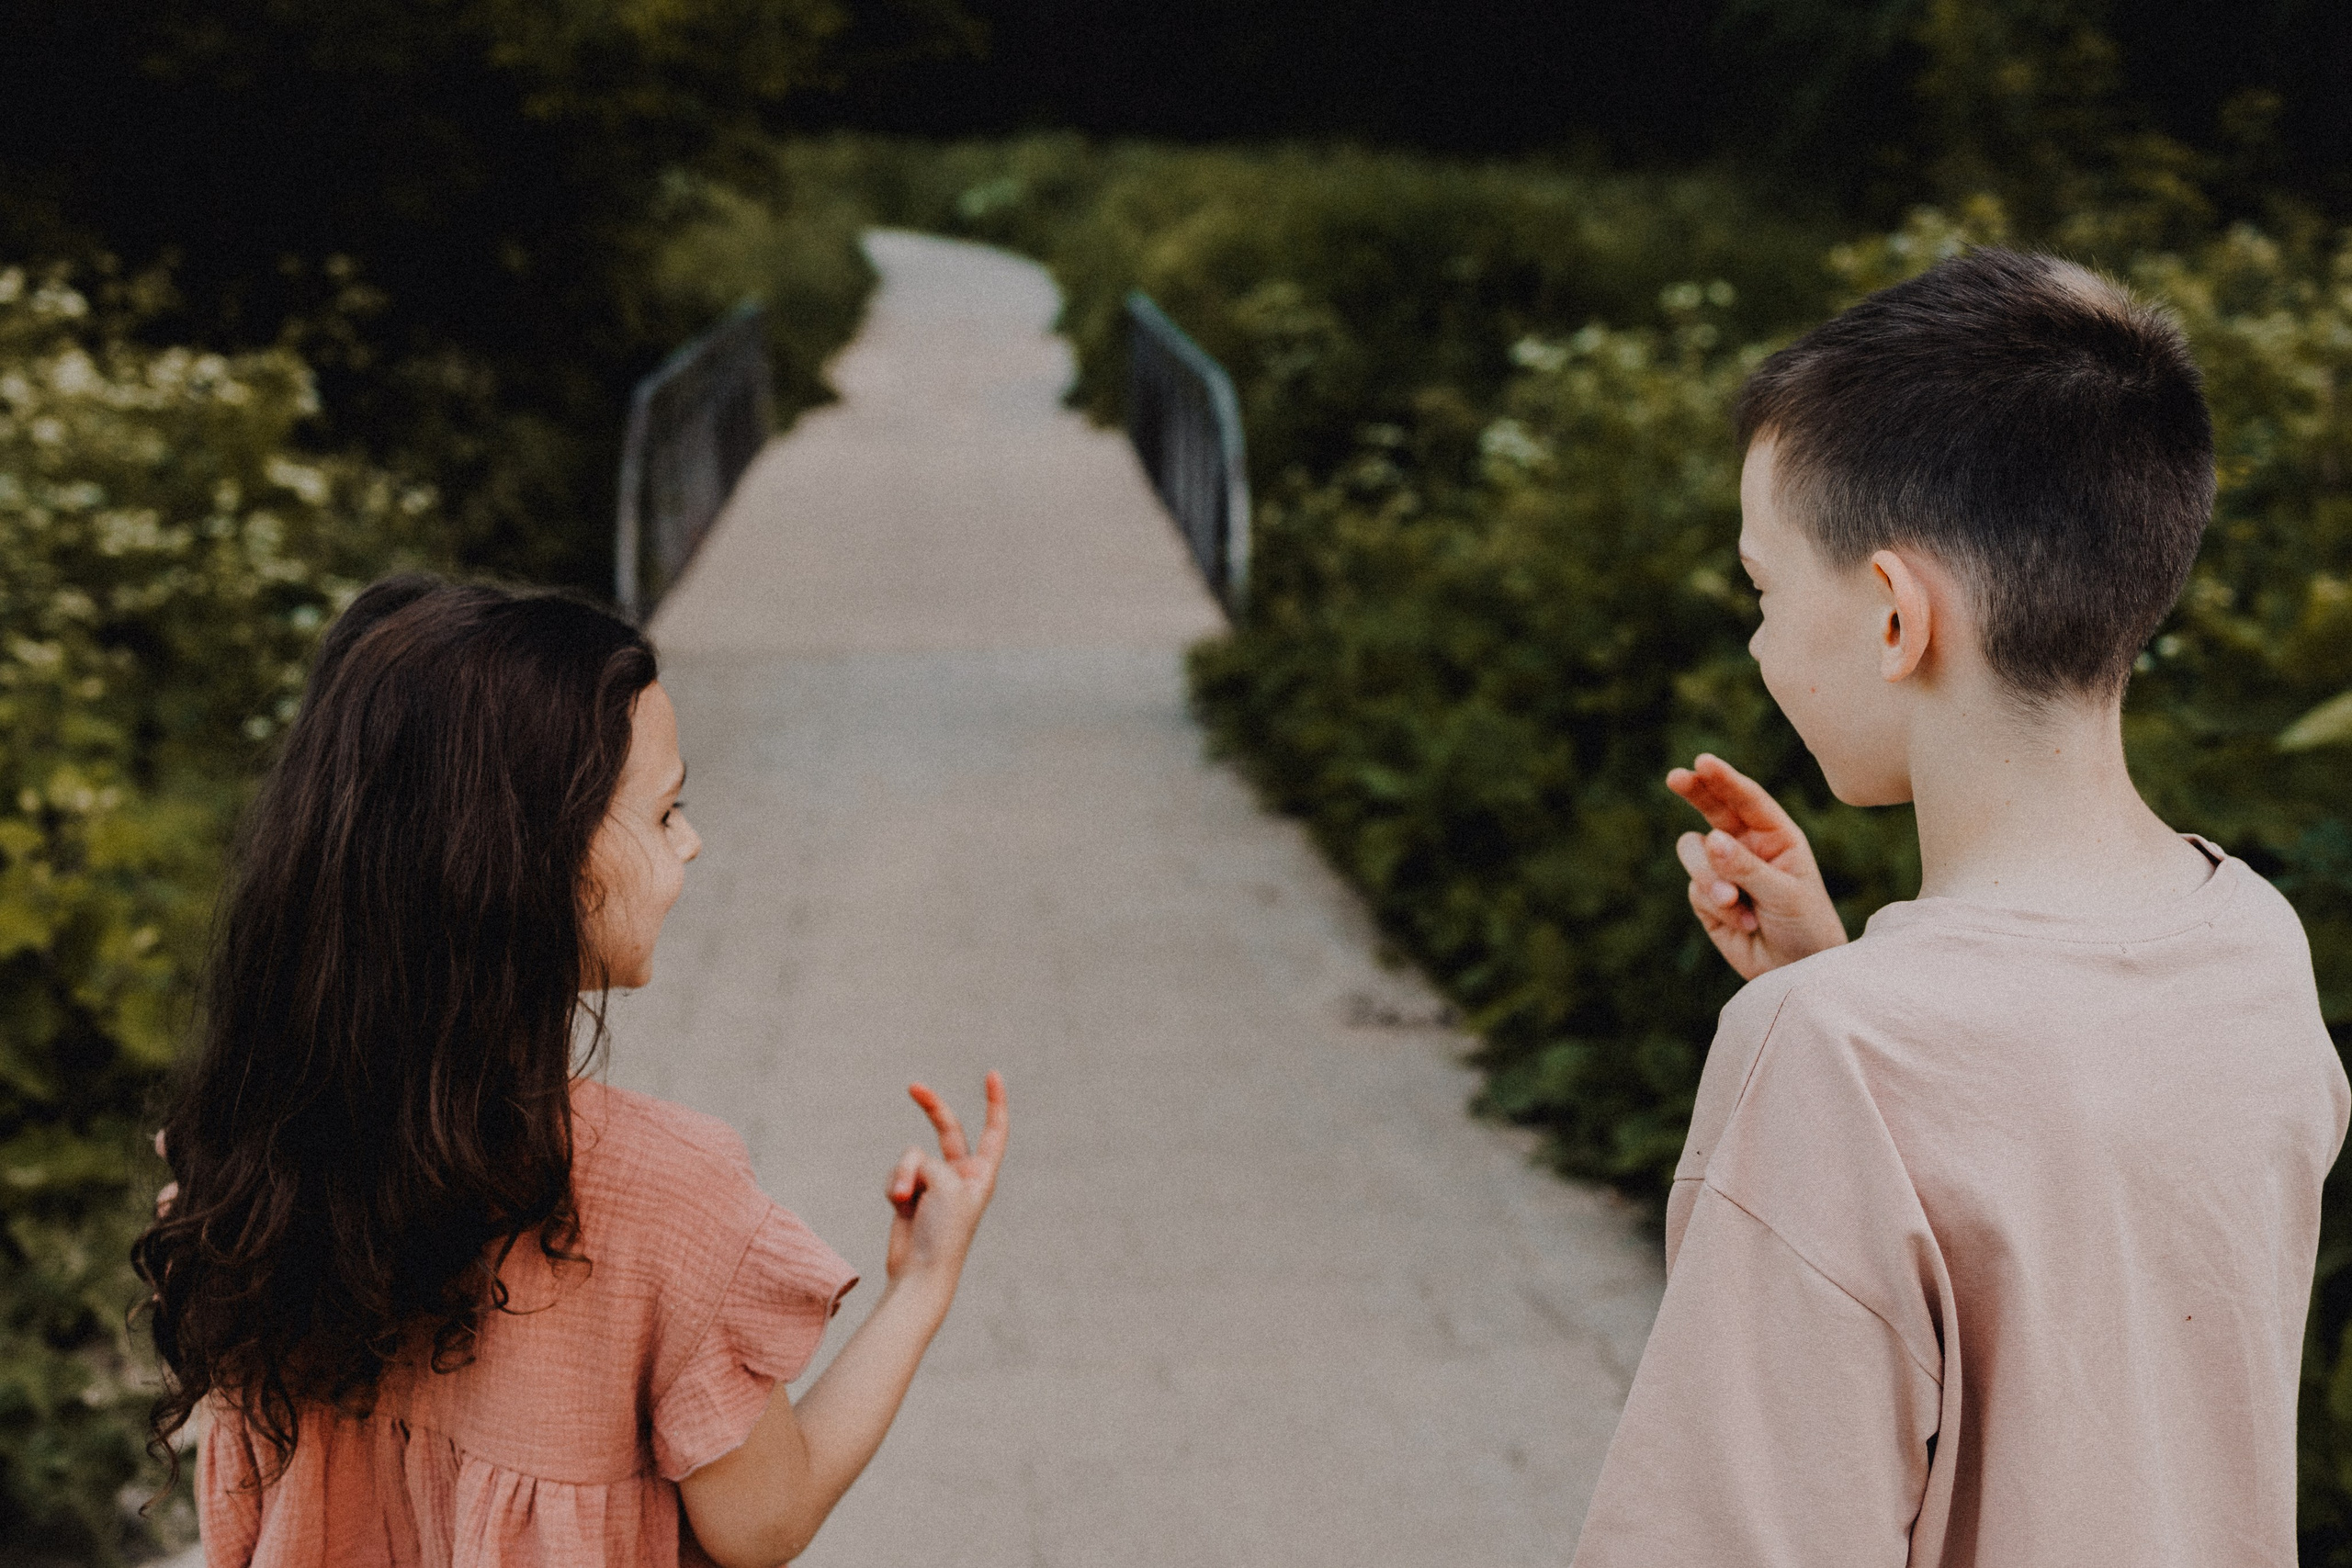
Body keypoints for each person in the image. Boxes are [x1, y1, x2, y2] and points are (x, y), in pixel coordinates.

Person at [1571, 249, 2349, 1565]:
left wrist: (1821, 1026)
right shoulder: (2251, 940)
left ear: (1892, 616)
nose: (1760, 644)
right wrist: (1822, 982)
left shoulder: (1836, 1057)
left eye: (1765, 591)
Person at [134, 575, 1009, 1568]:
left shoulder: (244, 1152)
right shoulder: (666, 1196)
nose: (694, 840)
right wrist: (926, 1282)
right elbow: (764, 1522)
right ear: (532, 863)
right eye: (667, 811)